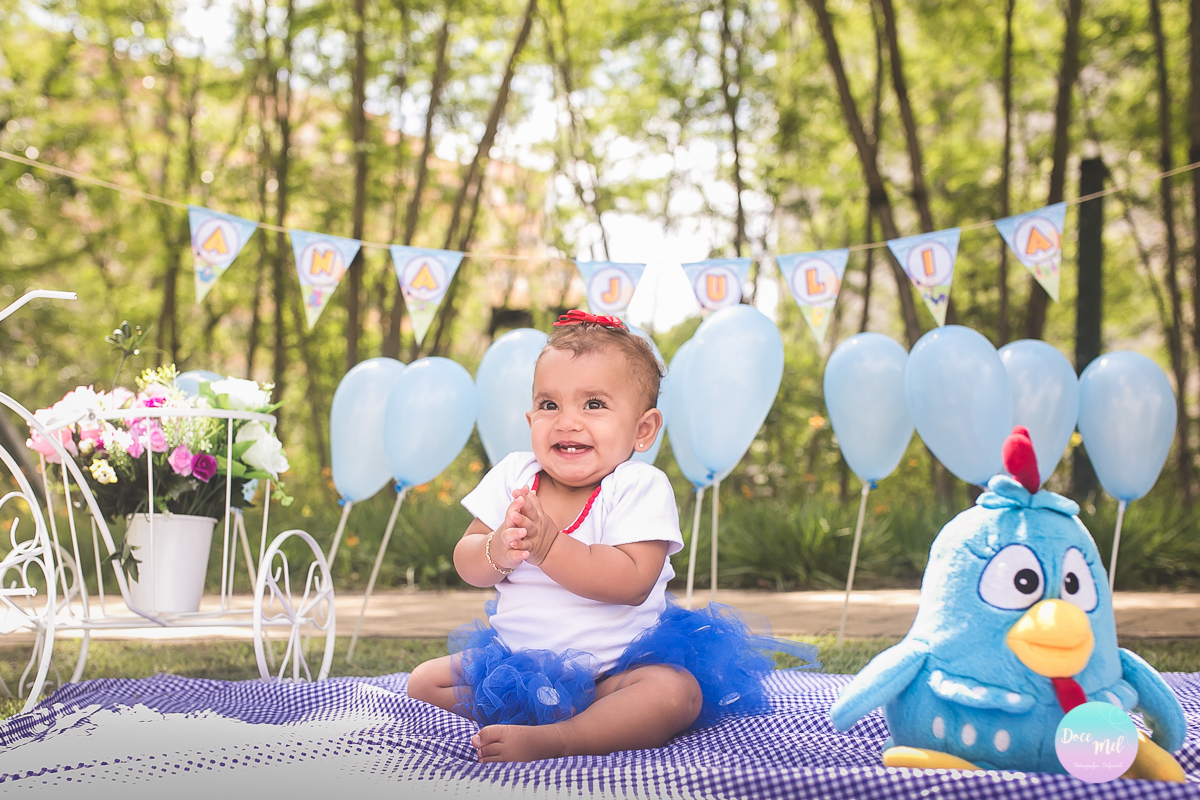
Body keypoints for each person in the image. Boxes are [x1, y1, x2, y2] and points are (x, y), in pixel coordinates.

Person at [406, 310, 817, 763]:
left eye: (594, 405)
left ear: (643, 429)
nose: (567, 421)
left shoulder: (638, 486)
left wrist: (549, 547)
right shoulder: (513, 475)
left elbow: (631, 581)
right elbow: (468, 561)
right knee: (424, 683)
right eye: (549, 405)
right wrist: (498, 548)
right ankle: (530, 710)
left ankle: (563, 738)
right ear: (530, 418)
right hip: (516, 665)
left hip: (616, 673)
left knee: (675, 693)